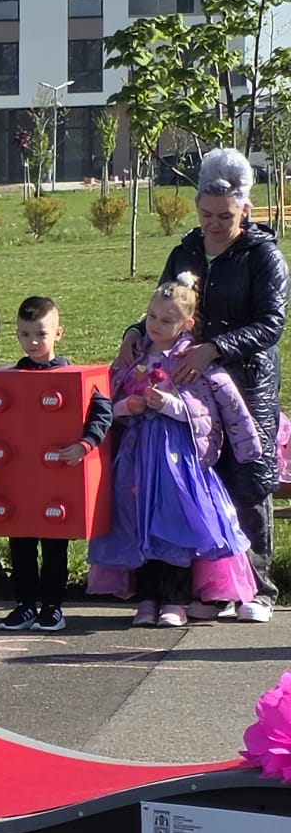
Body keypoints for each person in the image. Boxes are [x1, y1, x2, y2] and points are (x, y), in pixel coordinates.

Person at [121, 147, 287, 623]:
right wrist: (135, 331)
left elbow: (272, 323)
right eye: (207, 214)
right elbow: (165, 303)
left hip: (245, 381)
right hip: (190, 386)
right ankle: (212, 589)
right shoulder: (186, 250)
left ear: (245, 210)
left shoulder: (263, 256)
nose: (214, 224)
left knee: (247, 478)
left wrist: (215, 348)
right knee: (200, 485)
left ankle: (259, 588)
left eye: (225, 216)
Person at [91, 276, 260, 628]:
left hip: (177, 460)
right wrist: (126, 407)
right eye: (151, 316)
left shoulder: (189, 362)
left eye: (166, 320)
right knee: (138, 525)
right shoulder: (132, 358)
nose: (155, 325)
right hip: (137, 458)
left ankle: (176, 600)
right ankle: (146, 599)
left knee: (176, 525)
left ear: (186, 323)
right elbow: (106, 405)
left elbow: (209, 411)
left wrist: (169, 405)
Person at [0, 298, 113, 634]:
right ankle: (25, 604)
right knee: (20, 545)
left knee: (55, 546)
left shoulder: (74, 378)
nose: (32, 342)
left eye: (40, 334)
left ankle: (52, 607)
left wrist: (85, 445)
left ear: (58, 333)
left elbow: (102, 413)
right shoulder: (8, 378)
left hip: (58, 482)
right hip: (17, 482)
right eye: (25, 334)